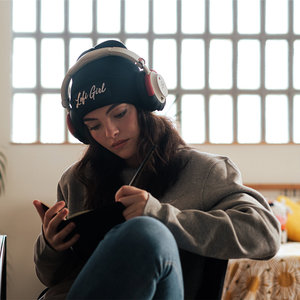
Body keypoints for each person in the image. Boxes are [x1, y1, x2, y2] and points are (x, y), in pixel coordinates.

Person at [33, 40, 281, 300]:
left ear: (145, 104)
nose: (110, 132)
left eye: (119, 114)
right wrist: (51, 246)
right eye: (94, 126)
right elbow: (50, 278)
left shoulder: (205, 170)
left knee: (146, 232)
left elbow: (265, 235)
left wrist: (161, 216)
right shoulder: (76, 180)